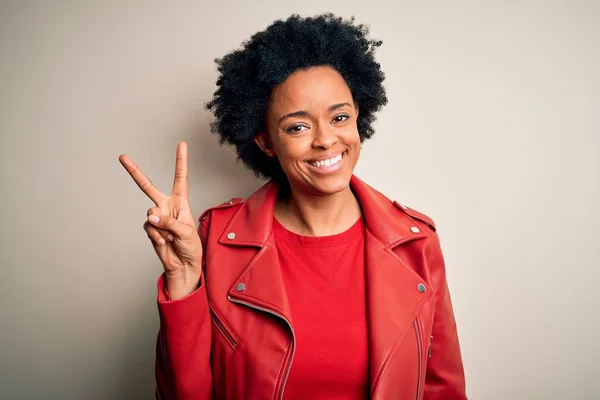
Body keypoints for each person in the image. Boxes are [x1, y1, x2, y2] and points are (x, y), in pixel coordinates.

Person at [119, 13, 466, 400]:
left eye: (339, 117)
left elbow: (443, 388)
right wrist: (183, 278)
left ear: (358, 118)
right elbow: (184, 394)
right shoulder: (215, 242)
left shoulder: (415, 243)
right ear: (267, 142)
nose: (325, 140)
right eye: (298, 127)